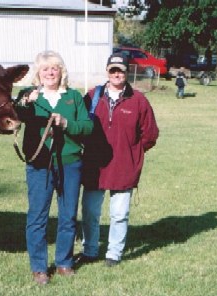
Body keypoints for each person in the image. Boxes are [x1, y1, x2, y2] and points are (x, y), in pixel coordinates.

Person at [15, 50, 93, 285]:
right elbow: (17, 114)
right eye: (46, 68)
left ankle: (64, 262)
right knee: (38, 216)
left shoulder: (73, 97)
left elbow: (88, 127)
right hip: (39, 164)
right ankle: (39, 267)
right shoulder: (29, 96)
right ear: (39, 73)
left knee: (68, 215)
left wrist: (66, 123)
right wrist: (25, 102)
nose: (50, 72)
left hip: (70, 162)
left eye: (55, 68)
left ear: (61, 71)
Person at [78, 52, 159, 267]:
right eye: (112, 70)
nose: (116, 74)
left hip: (124, 168)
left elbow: (150, 134)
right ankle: (90, 250)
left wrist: (132, 153)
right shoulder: (92, 96)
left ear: (127, 72)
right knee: (90, 212)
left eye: (120, 70)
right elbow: (79, 127)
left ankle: (114, 252)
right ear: (107, 71)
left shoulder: (138, 100)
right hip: (95, 167)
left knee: (119, 214)